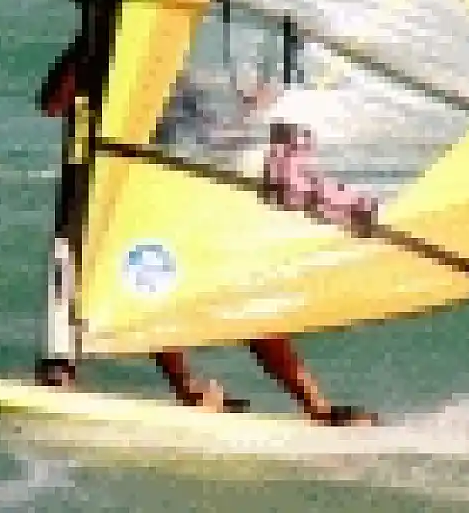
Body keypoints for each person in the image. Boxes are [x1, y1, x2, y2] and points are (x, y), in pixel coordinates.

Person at [35, 32, 377, 426]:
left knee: (248, 301)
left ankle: (315, 406)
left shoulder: (186, 84)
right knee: (153, 287)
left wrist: (263, 104)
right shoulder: (101, 59)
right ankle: (186, 389)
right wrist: (86, 44)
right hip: (131, 200)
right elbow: (54, 105)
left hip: (190, 198)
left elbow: (226, 130)